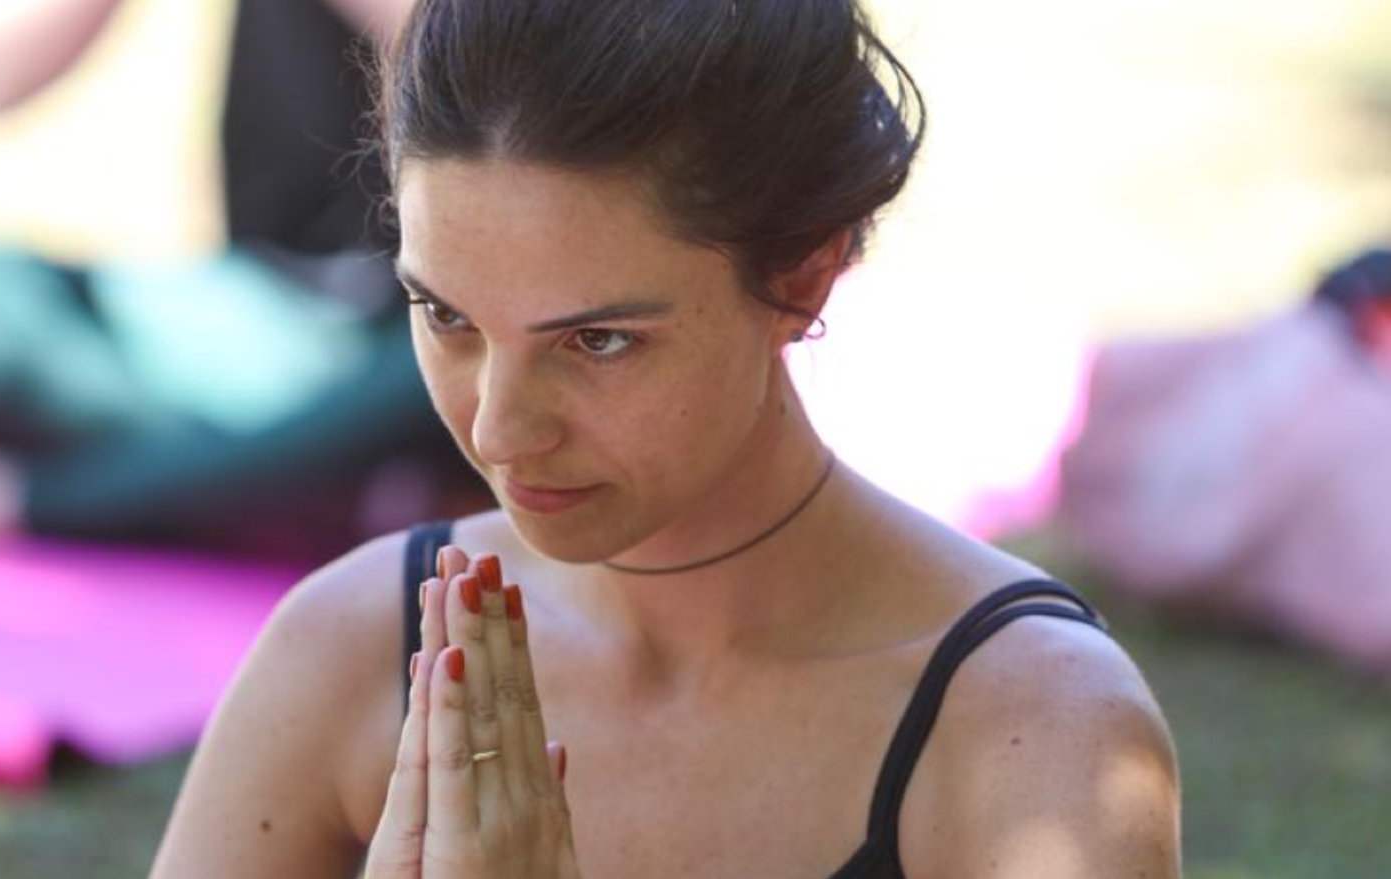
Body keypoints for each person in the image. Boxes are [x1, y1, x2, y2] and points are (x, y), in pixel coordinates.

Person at [148, 0, 1182, 876]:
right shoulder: (348, 651)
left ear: (801, 275)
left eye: (597, 340)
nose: (499, 428)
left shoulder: (1029, 730)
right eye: (445, 315)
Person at [0, 0, 477, 557]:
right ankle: (283, 485)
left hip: (433, 333)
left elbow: (486, 89)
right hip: (249, 319)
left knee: (444, 377)